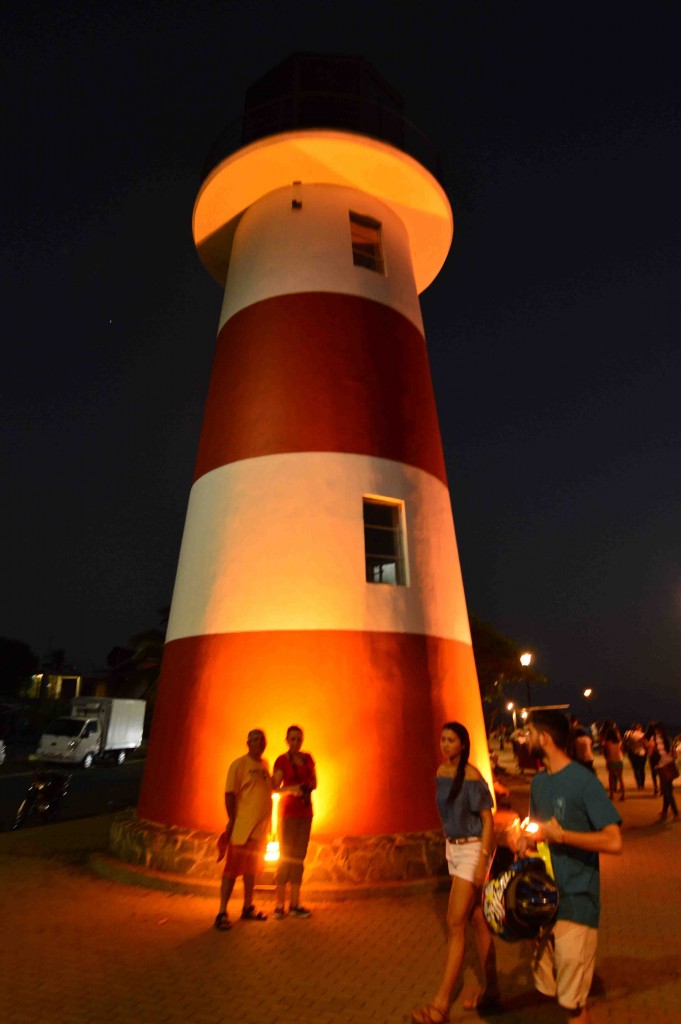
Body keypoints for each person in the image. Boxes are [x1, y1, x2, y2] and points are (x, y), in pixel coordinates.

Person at [517, 709, 622, 1024]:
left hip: (578, 901)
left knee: (572, 1004)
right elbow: (538, 832)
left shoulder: (583, 781)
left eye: (529, 732)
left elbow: (614, 841)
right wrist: (524, 840)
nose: (524, 738)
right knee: (552, 990)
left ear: (545, 738)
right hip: (545, 902)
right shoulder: (538, 783)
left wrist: (563, 836)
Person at [412, 722, 498, 1023]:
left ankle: (441, 1005)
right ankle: (493, 991)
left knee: (455, 923)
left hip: (474, 849)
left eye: (451, 740)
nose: (446, 745)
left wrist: (482, 862)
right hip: (454, 848)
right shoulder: (441, 772)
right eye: (443, 739)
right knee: (476, 919)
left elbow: (488, 822)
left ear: (463, 744)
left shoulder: (473, 777)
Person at [214, 728, 272, 931]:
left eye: (261, 740)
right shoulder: (238, 765)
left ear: (264, 744)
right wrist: (232, 820)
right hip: (242, 828)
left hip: (259, 831)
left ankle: (248, 907)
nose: (258, 743)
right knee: (231, 870)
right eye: (254, 739)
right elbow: (230, 794)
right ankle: (222, 911)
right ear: (248, 743)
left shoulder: (265, 765)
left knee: (251, 870)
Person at [271, 724, 317, 919]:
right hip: (288, 813)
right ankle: (280, 904)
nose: (296, 742)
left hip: (305, 812)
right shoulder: (282, 760)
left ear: (302, 740)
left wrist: (306, 788)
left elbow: (314, 782)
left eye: (299, 739)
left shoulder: (308, 759)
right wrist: (292, 789)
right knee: (285, 856)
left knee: (299, 857)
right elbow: (274, 788)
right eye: (292, 739)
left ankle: (295, 903)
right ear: (287, 740)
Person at [648, 721, 679, 822]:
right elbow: (670, 753)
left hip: (663, 767)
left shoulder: (654, 740)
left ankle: (676, 813)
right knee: (667, 789)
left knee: (667, 791)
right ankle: (665, 811)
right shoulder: (666, 739)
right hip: (669, 764)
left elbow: (651, 753)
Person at [602, 726, 625, 801]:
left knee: (611, 778)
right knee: (620, 778)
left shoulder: (606, 742)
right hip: (619, 759)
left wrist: (607, 760)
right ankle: (623, 795)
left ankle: (611, 794)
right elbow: (622, 751)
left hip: (611, 760)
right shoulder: (619, 741)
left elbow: (605, 752)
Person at [622, 722, 647, 790]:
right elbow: (646, 745)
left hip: (632, 753)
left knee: (636, 769)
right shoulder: (643, 735)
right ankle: (642, 784)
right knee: (642, 769)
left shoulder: (629, 734)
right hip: (642, 753)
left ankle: (639, 784)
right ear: (639, 728)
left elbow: (625, 742)